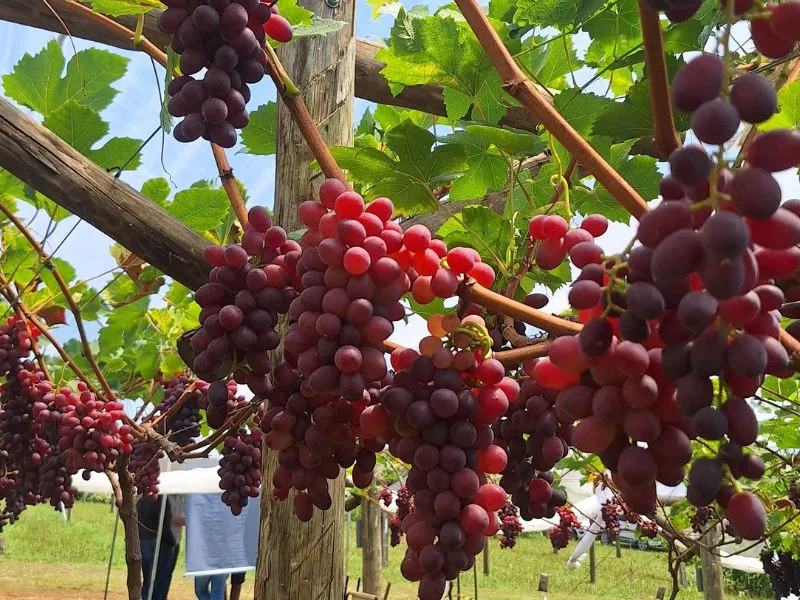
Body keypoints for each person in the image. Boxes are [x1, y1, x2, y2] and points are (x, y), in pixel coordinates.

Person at [138, 495, 178, 600]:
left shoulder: (141, 501)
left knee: (148, 580)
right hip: (157, 544)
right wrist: (172, 543)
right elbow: (165, 526)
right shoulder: (162, 501)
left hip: (143, 542)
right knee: (159, 581)